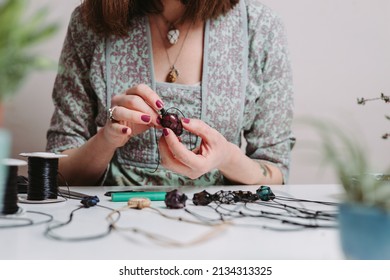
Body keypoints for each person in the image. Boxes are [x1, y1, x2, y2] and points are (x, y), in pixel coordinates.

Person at [46, 0, 294, 186]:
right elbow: (57, 171)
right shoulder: (90, 22)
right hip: (113, 225)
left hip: (218, 230)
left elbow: (276, 171)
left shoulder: (259, 27)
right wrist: (107, 139)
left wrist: (226, 157)